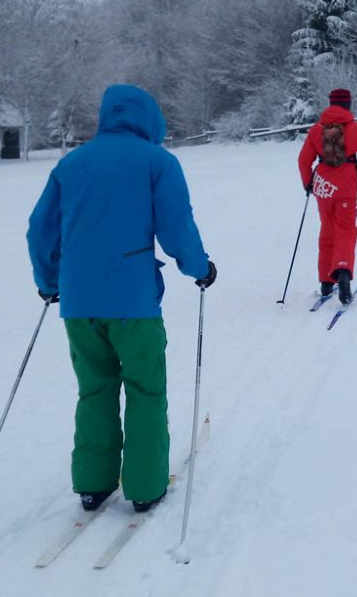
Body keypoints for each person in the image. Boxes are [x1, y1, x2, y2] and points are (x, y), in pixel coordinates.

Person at [27, 84, 216, 514]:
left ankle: (93, 483)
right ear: (149, 120)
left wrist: (48, 279)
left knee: (95, 390)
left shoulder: (70, 165)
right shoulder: (157, 162)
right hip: (133, 303)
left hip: (78, 303)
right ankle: (145, 486)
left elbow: (40, 228)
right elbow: (176, 227)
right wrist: (199, 268)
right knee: (146, 390)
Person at [298, 88, 357, 304]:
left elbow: (303, 160)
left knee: (327, 230)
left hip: (324, 188)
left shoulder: (316, 130)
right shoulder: (354, 130)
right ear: (348, 105)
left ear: (330, 104)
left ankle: (326, 281)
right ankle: (343, 271)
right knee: (346, 230)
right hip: (346, 188)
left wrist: (308, 182)